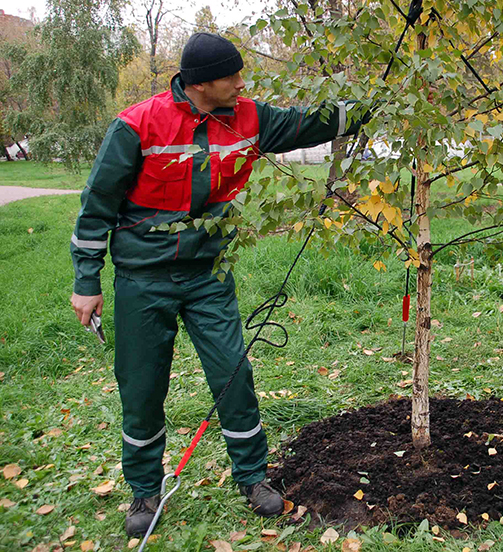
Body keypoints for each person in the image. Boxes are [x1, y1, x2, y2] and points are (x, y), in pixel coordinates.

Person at [70, 32, 362, 537]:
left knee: (233, 373)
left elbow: (307, 122)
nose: (241, 83)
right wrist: (86, 280)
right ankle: (145, 489)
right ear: (201, 83)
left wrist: (375, 103)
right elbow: (97, 206)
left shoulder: (248, 117)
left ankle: (252, 477)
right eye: (232, 76)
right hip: (143, 279)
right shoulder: (137, 125)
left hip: (209, 274)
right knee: (142, 387)